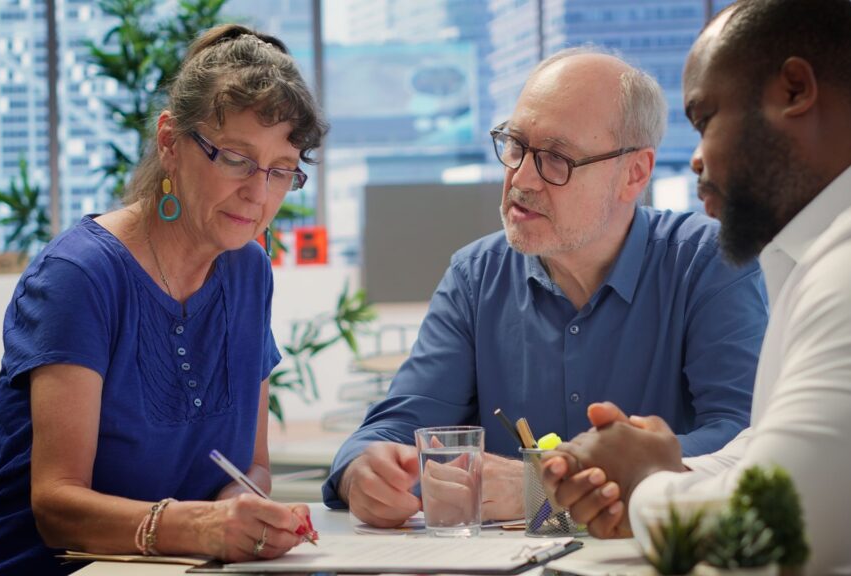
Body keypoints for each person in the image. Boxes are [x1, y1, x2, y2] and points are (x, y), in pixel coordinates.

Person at [543, 1, 851, 574]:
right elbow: (772, 452)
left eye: (705, 119)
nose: (693, 160)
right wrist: (668, 476)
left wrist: (644, 484)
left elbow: (784, 532)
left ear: (795, 90)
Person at [322, 47, 769, 528]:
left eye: (556, 158)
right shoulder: (476, 275)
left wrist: (547, 488)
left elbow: (743, 438)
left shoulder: (707, 262)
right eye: (515, 145)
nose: (522, 178)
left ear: (634, 174)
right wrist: (363, 470)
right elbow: (400, 425)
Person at [0, 24, 328, 575]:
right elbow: (56, 506)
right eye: (236, 158)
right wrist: (200, 528)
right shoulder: (80, 276)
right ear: (171, 142)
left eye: (281, 171)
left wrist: (241, 513)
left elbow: (253, 469)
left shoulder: (249, 272)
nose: (258, 193)